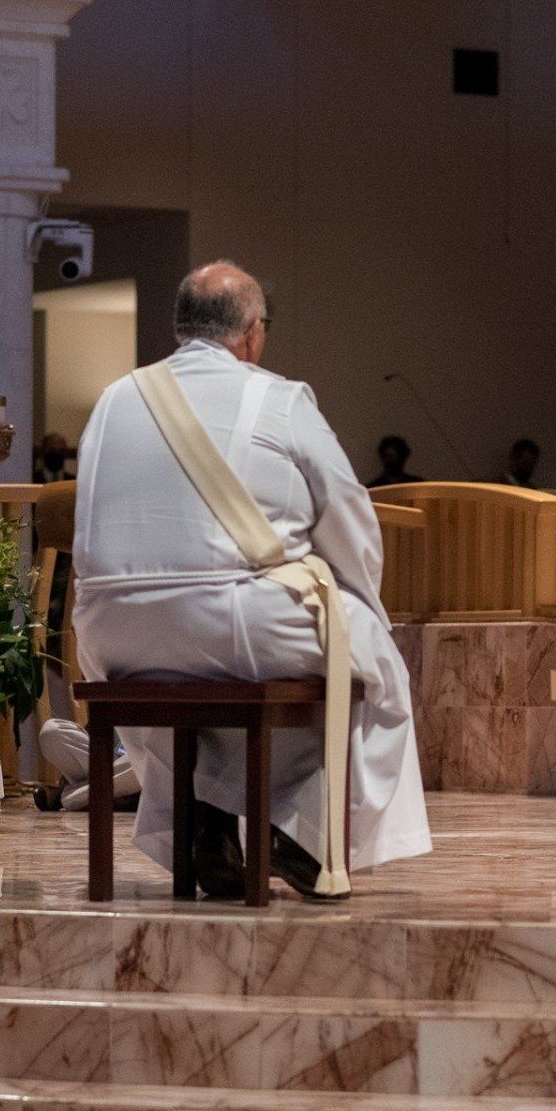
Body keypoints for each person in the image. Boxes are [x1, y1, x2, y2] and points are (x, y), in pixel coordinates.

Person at [73, 261, 431, 899]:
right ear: (252, 332)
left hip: (110, 630)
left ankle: (206, 823)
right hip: (231, 614)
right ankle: (303, 835)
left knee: (212, 679)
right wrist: (358, 597)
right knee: (374, 667)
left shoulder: (114, 399)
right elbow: (346, 515)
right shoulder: (279, 398)